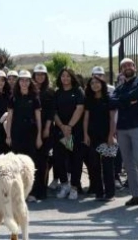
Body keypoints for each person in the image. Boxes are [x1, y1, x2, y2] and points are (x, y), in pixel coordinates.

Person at [111, 58, 138, 209]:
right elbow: (112, 101)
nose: (127, 67)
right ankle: (136, 196)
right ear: (121, 70)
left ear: (134, 67)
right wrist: (129, 101)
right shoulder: (120, 88)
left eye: (130, 65)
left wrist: (122, 101)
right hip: (122, 129)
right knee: (128, 164)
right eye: (124, 66)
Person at [5, 70, 42, 202]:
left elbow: (38, 119)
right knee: (17, 164)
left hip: (31, 134)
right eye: (22, 80)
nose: (24, 83)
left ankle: (32, 192)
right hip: (16, 134)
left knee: (30, 164)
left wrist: (39, 136)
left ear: (30, 82)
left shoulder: (35, 98)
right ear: (18, 82)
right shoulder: (13, 98)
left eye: (27, 80)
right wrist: (8, 135)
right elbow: (9, 118)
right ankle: (17, 193)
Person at [52, 68, 85, 200]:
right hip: (61, 131)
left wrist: (69, 126)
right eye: (63, 76)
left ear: (72, 77)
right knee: (59, 158)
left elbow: (80, 109)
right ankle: (64, 185)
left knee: (75, 160)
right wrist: (62, 126)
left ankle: (74, 187)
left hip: (75, 131)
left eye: (68, 76)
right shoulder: (57, 92)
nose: (65, 78)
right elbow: (54, 112)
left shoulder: (78, 91)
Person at [83, 75, 117, 201]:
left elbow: (112, 119)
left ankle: (110, 193)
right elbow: (86, 118)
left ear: (102, 84)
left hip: (106, 136)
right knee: (94, 165)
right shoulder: (89, 100)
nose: (95, 85)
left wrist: (111, 135)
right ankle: (99, 192)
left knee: (108, 166)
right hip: (93, 136)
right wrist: (85, 134)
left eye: (97, 82)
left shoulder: (109, 99)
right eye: (92, 83)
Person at [32, 64, 55, 200]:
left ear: (45, 76)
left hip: (46, 130)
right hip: (32, 130)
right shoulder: (30, 90)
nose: (40, 76)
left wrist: (46, 128)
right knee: (33, 160)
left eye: (42, 74)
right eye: (37, 74)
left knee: (43, 161)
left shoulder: (50, 92)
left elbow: (51, 112)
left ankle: (42, 190)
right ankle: (33, 189)